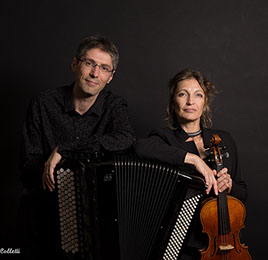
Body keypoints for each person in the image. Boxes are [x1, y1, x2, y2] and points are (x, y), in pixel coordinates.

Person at [19, 35, 136, 259]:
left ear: (110, 77)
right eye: (89, 63)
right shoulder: (43, 103)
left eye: (104, 68)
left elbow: (126, 138)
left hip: (96, 217)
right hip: (47, 212)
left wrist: (65, 149)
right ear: (75, 64)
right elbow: (27, 165)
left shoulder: (114, 106)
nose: (95, 74)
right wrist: (65, 179)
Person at [134, 68, 247, 259]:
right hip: (180, 246)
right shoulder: (164, 138)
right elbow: (140, 147)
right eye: (182, 94)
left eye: (198, 95)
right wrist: (193, 160)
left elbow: (242, 193)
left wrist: (229, 187)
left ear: (205, 103)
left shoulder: (224, 140)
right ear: (173, 102)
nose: (190, 101)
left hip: (222, 242)